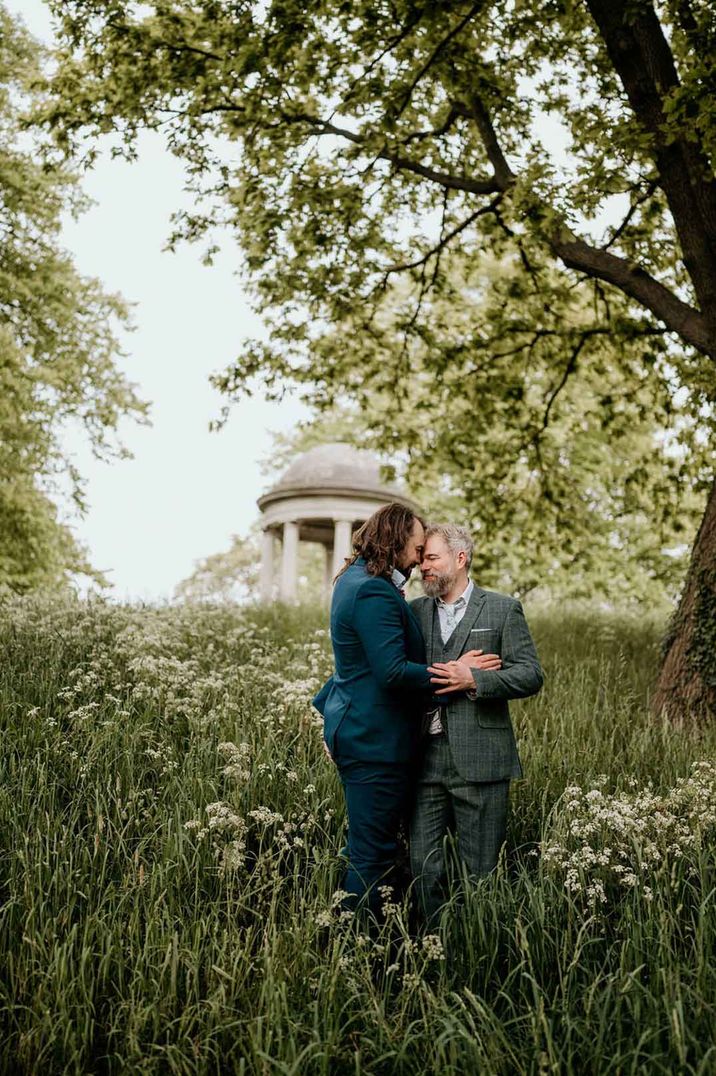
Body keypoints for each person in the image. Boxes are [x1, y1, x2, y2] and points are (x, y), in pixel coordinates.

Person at [312, 503, 475, 918]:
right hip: (374, 740)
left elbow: (354, 663)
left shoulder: (354, 580)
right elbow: (391, 671)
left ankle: (358, 932)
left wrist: (330, 712)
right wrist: (457, 674)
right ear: (397, 540)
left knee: (369, 843)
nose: (421, 559)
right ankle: (354, 949)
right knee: (373, 852)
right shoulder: (372, 589)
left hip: (362, 728)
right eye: (418, 549)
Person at [409, 522, 544, 925]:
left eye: (432, 558)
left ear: (460, 558)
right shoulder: (413, 612)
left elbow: (530, 675)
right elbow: (398, 675)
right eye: (421, 559)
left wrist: (476, 680)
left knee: (480, 873)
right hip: (422, 760)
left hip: (483, 762)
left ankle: (475, 953)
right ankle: (427, 953)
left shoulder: (503, 609)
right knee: (423, 869)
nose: (423, 568)